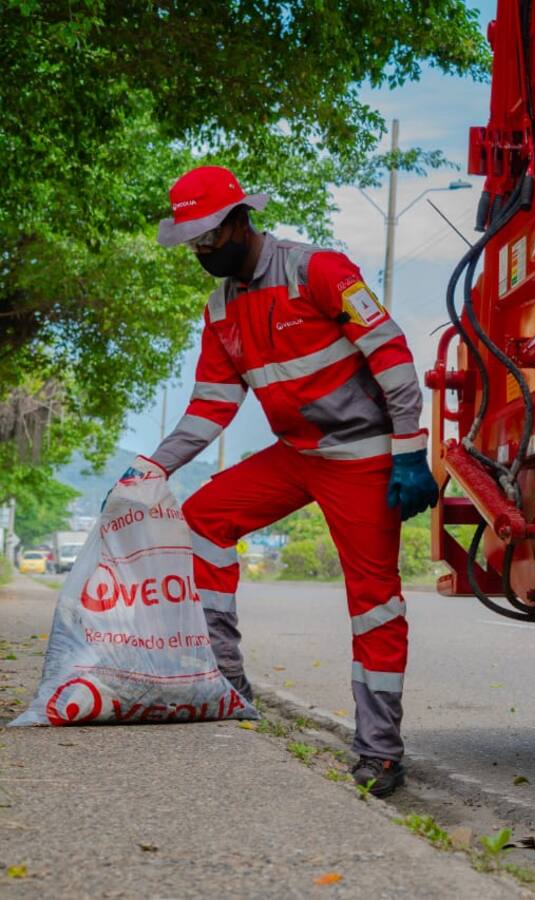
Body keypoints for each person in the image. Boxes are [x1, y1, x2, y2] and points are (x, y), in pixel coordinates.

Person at [128, 165, 439, 797]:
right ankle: (225, 681)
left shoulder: (319, 271)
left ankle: (379, 751)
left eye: (210, 238)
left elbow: (392, 353)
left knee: (374, 602)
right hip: (296, 454)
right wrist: (151, 466)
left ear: (242, 222)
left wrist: (410, 451)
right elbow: (210, 407)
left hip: (361, 455)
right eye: (193, 244)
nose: (202, 253)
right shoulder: (221, 309)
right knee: (206, 519)